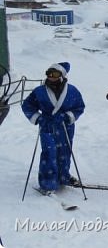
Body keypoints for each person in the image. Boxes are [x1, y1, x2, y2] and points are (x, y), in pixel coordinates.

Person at [21, 62, 85, 194]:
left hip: (65, 127)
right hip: (47, 126)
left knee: (65, 152)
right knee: (49, 153)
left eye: (55, 74)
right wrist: (38, 118)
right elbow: (27, 105)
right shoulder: (39, 91)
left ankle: (63, 177)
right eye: (48, 73)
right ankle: (48, 183)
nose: (51, 76)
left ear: (62, 75)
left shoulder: (72, 90)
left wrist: (68, 116)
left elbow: (79, 107)